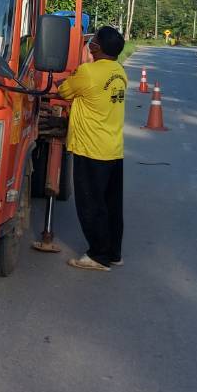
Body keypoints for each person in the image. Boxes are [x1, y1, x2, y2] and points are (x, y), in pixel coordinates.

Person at [58, 25, 127, 272]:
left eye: (93, 41)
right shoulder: (119, 71)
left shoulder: (88, 72)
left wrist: (75, 73)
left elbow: (64, 91)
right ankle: (114, 252)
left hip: (91, 149)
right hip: (113, 149)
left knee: (91, 204)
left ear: (96, 47)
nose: (90, 44)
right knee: (111, 205)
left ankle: (98, 255)